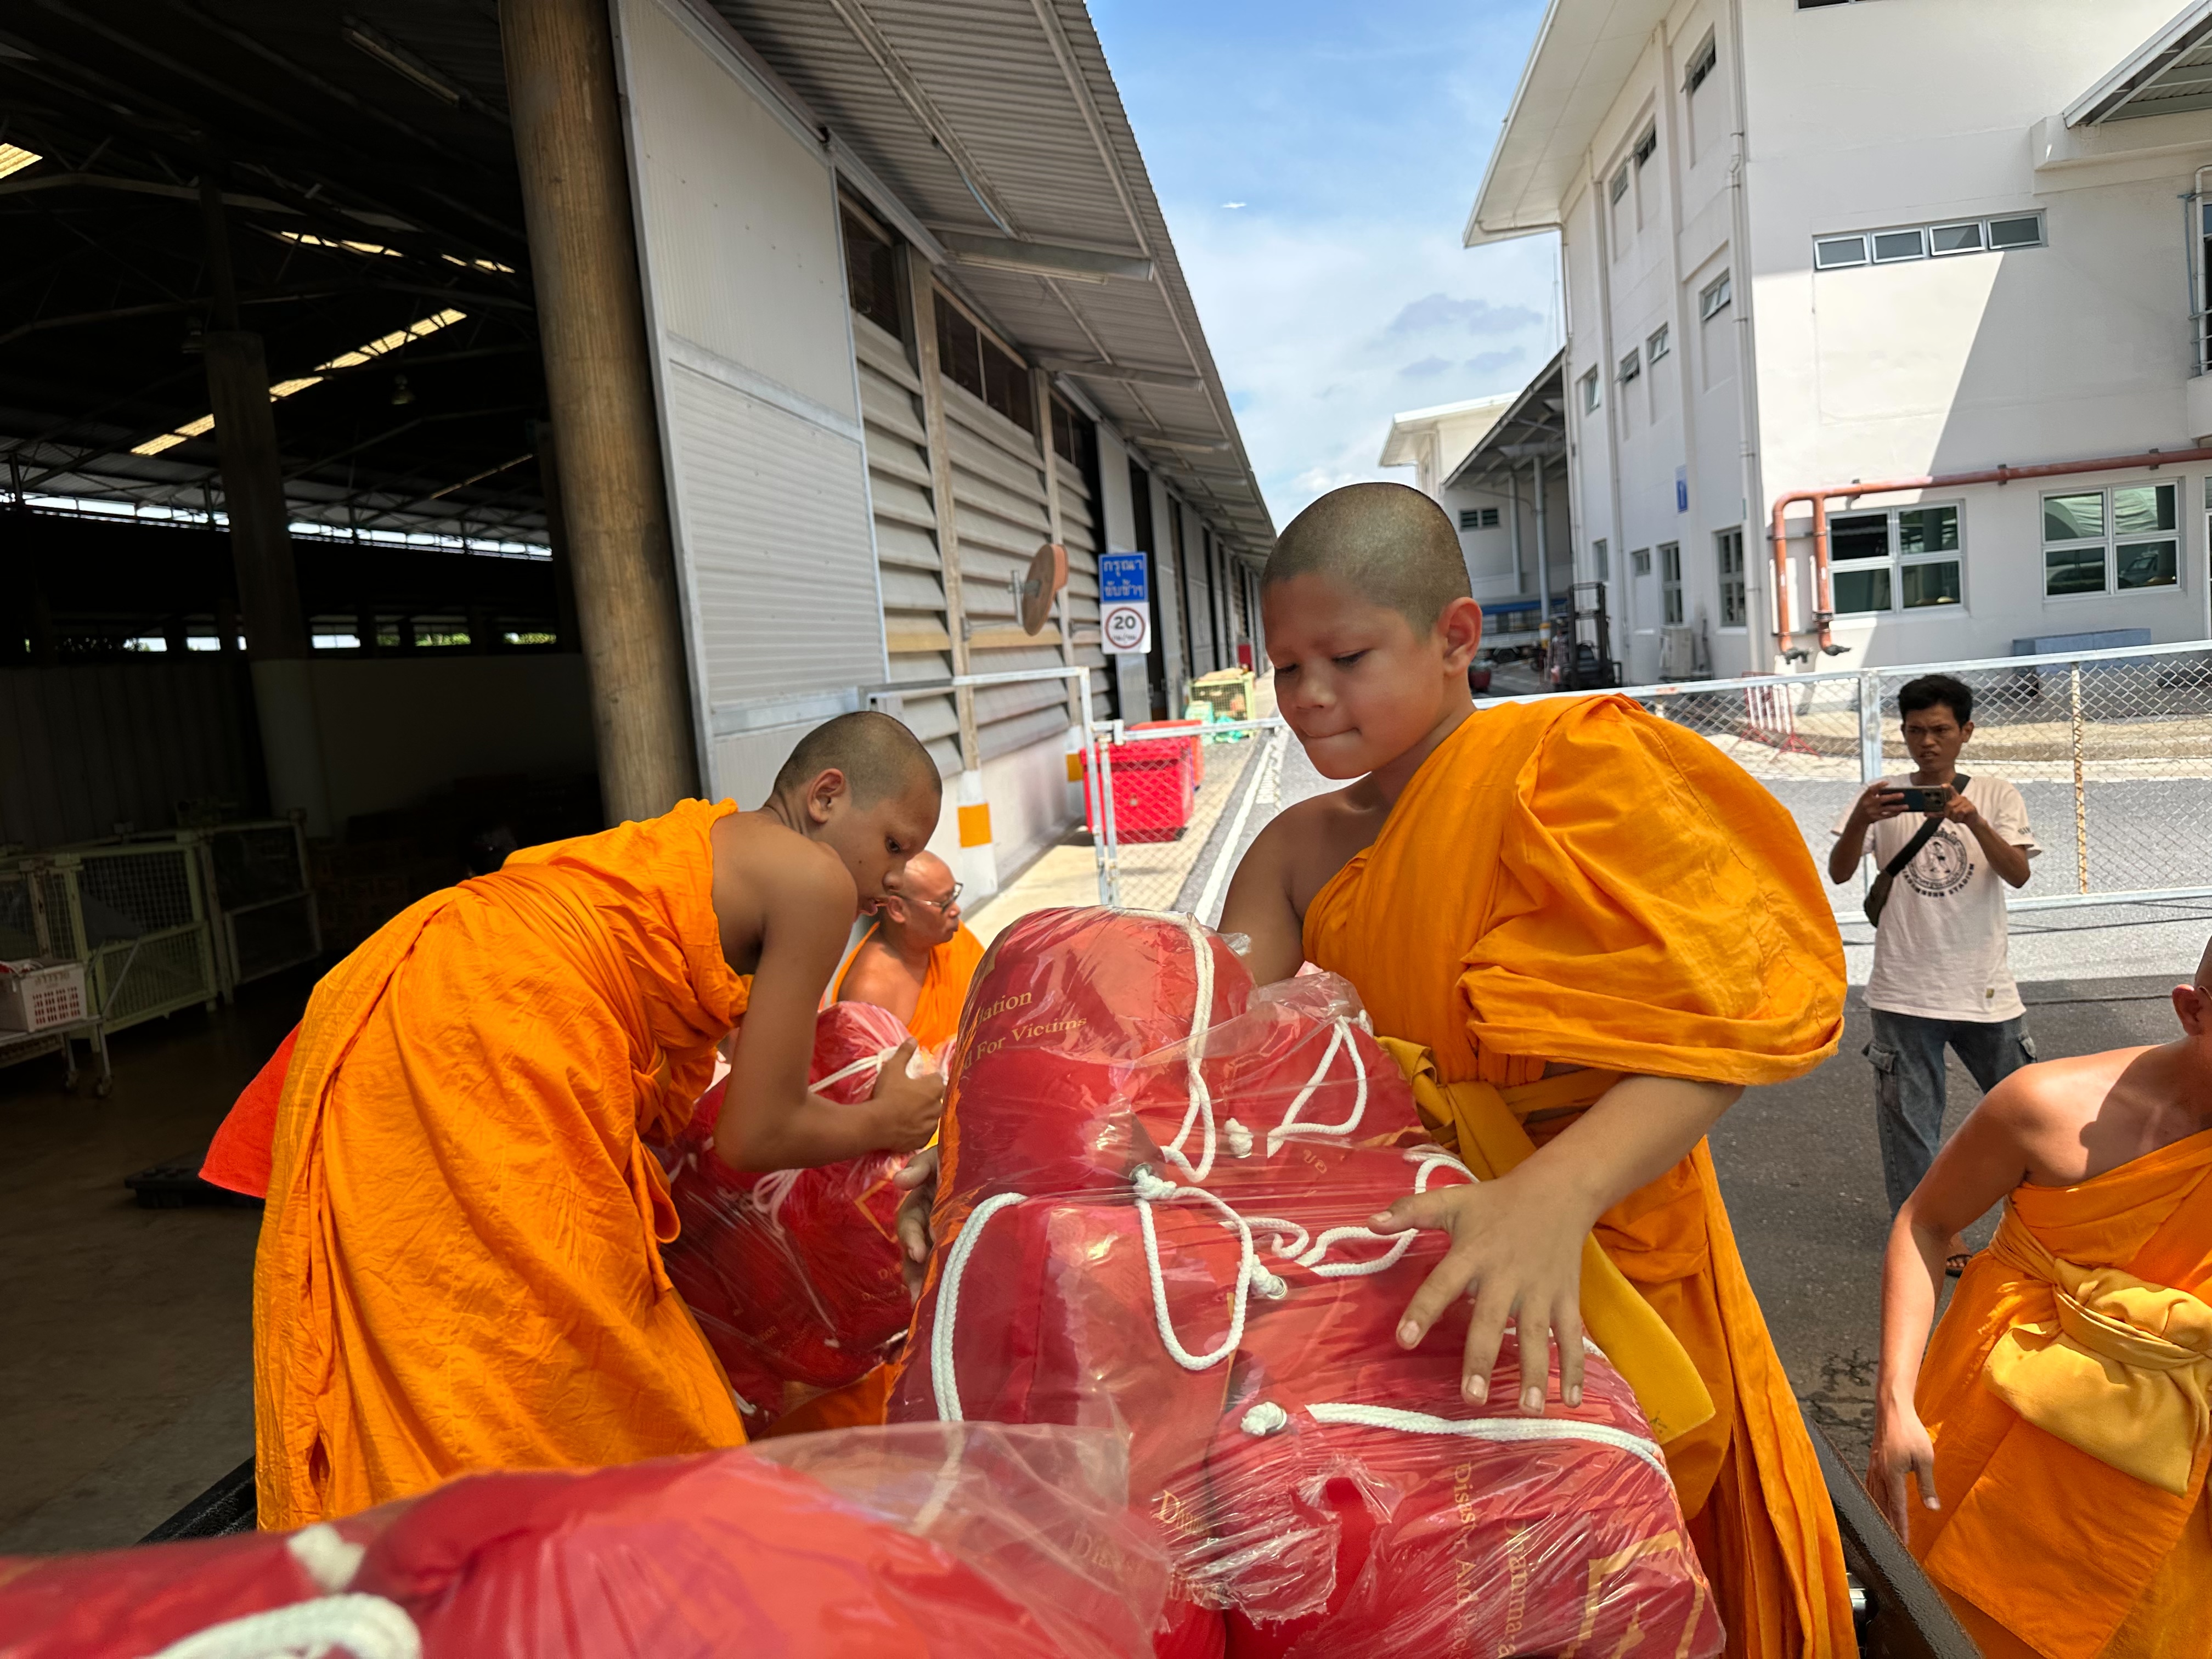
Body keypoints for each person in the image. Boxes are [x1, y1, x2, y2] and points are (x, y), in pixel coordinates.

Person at [1215, 482, 1854, 1654]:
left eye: (1346, 659)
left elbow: (1721, 1019)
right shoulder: (1296, 848)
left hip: (1592, 1242)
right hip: (1403, 1274)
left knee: (1635, 1565)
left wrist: (1551, 1198)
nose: (1307, 700)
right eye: (1284, 668)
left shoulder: (1570, 764)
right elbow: (1223, 1057)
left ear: (1457, 637)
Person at [246, 711, 947, 1529]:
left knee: (456, 1322)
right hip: (495, 1026)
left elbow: (712, 1056)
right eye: (895, 845)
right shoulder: (815, 883)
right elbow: (756, 1134)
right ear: (827, 795)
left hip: (440, 988)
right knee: (572, 1349)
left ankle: (438, 1539)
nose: (896, 877)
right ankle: (524, 1557)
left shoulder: (724, 841)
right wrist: (889, 1123)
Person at [1869, 943, 2212, 1658]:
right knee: (1949, 1623)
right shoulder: (2047, 1107)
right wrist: (1894, 1403)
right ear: (2192, 1010)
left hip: (2175, 1445)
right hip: (2001, 1408)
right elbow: (1926, 1223)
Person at [1829, 673, 2038, 1272]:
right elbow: (1842, 873)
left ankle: (2041, 1215)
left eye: (1941, 730)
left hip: (1986, 988)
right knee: (1910, 1126)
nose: (1927, 743)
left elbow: (2018, 874)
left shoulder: (1997, 793)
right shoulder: (1885, 794)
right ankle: (1930, 1228)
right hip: (1903, 987)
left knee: (2026, 1110)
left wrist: (1973, 821)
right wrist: (1861, 823)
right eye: (1916, 731)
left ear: (1966, 732)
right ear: (1902, 732)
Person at [834, 848, 983, 1051]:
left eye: (954, 895)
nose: (956, 910)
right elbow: (875, 1080)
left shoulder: (952, 938)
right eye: (944, 902)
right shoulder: (870, 992)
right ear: (898, 909)